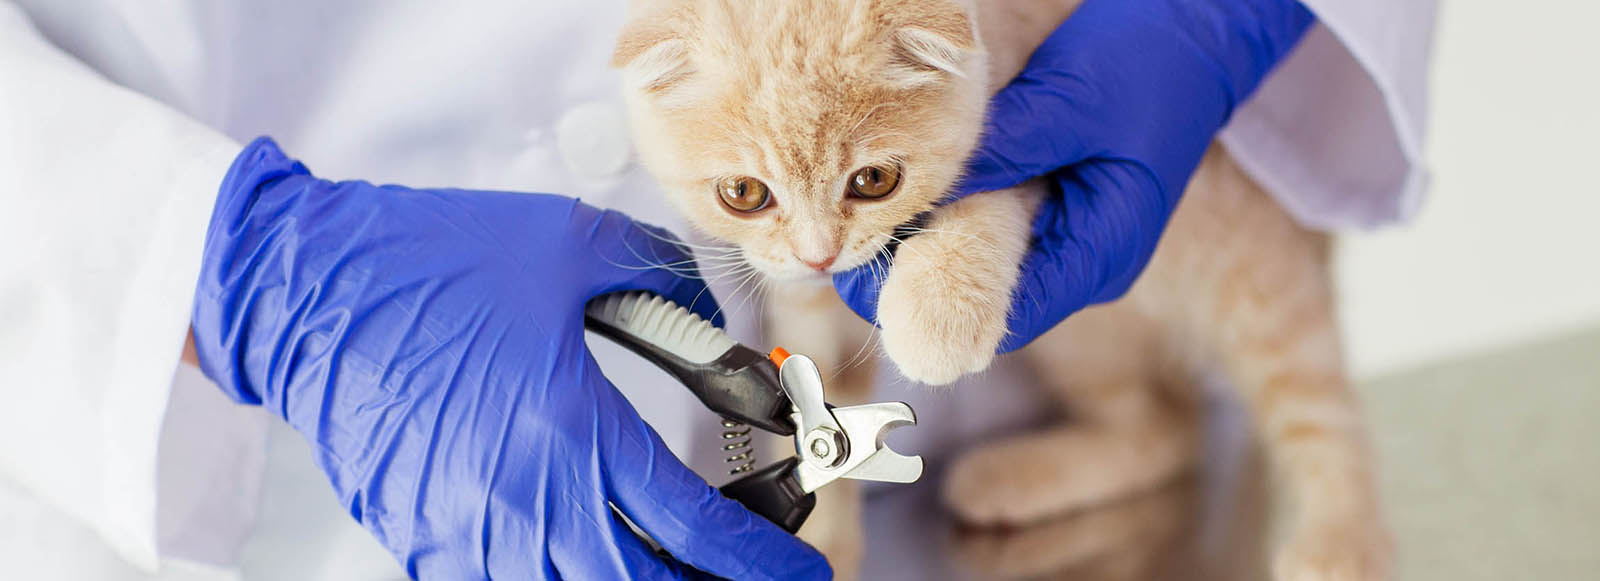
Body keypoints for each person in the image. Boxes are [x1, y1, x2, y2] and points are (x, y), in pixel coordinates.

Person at [0, 0, 1432, 579]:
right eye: (760, 206)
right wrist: (230, 262)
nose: (807, 246)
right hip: (252, 464)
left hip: (1025, 498)